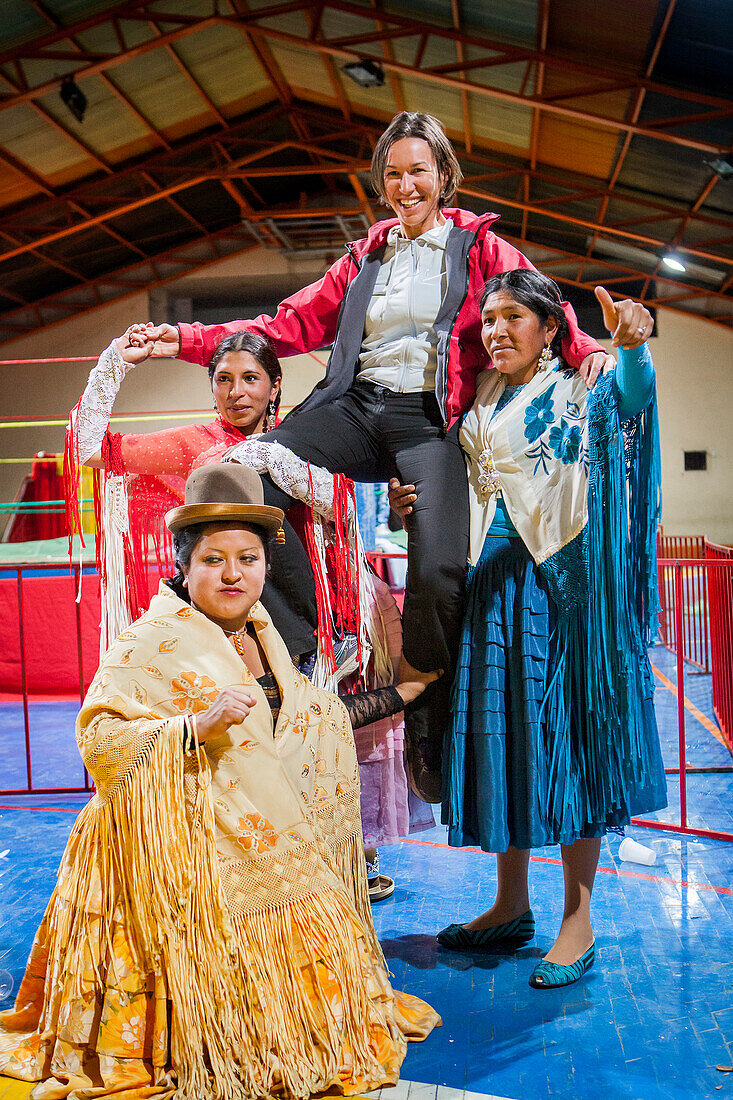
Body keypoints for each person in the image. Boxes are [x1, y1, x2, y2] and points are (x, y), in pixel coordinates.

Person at [126, 111, 634, 801]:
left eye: (417, 171)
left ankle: (423, 702)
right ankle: (301, 649)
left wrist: (588, 349)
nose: (404, 185)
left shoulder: (478, 248)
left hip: (426, 422)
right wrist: (183, 339)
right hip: (352, 407)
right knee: (246, 468)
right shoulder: (365, 257)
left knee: (439, 566)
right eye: (392, 174)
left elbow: (541, 303)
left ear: (443, 175)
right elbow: (284, 325)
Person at [0, 464, 440, 1098]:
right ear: (185, 564)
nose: (233, 574)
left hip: (263, 849)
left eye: (247, 558)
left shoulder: (263, 632)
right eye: (214, 559)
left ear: (266, 563)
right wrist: (191, 728)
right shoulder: (149, 644)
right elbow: (102, 740)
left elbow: (302, 722)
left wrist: (396, 695)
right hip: (175, 870)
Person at [389, 272, 666, 989]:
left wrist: (630, 349)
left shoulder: (582, 382)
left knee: (566, 741)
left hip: (560, 591)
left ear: (550, 329)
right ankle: (510, 902)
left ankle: (577, 917)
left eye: (514, 316)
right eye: (488, 319)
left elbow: (633, 401)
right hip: (489, 591)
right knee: (502, 740)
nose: (496, 331)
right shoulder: (478, 397)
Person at [65, 327, 318, 659]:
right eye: (224, 379)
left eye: (250, 378)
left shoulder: (302, 441)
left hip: (305, 621)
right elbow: (90, 449)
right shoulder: (193, 444)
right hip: (222, 624)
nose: (236, 392)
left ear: (274, 387)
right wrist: (114, 363)